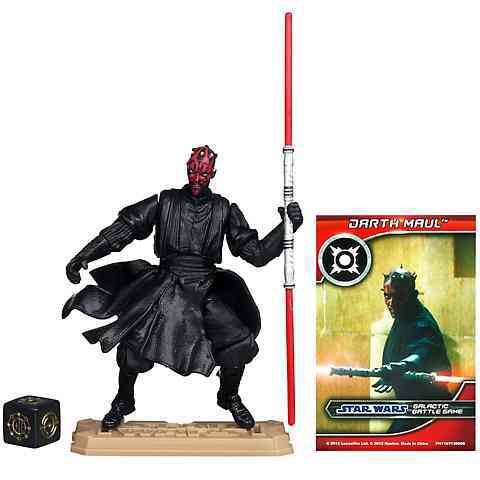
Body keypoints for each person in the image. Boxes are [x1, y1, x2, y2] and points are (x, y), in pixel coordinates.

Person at [63, 145, 303, 431]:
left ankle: (229, 395)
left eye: (203, 173)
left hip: (206, 287)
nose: (197, 178)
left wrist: (286, 227)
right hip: (164, 284)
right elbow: (123, 229)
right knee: (134, 342)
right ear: (187, 170)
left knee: (237, 339)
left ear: (213, 174)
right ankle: (123, 400)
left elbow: (256, 254)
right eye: (193, 172)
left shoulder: (224, 209)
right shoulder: (165, 201)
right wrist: (84, 256)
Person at [373, 266, 451, 433]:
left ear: (412, 295)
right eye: (387, 296)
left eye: (399, 297)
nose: (391, 303)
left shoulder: (422, 321)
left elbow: (423, 351)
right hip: (412, 407)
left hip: (429, 409)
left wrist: (403, 366)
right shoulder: (404, 314)